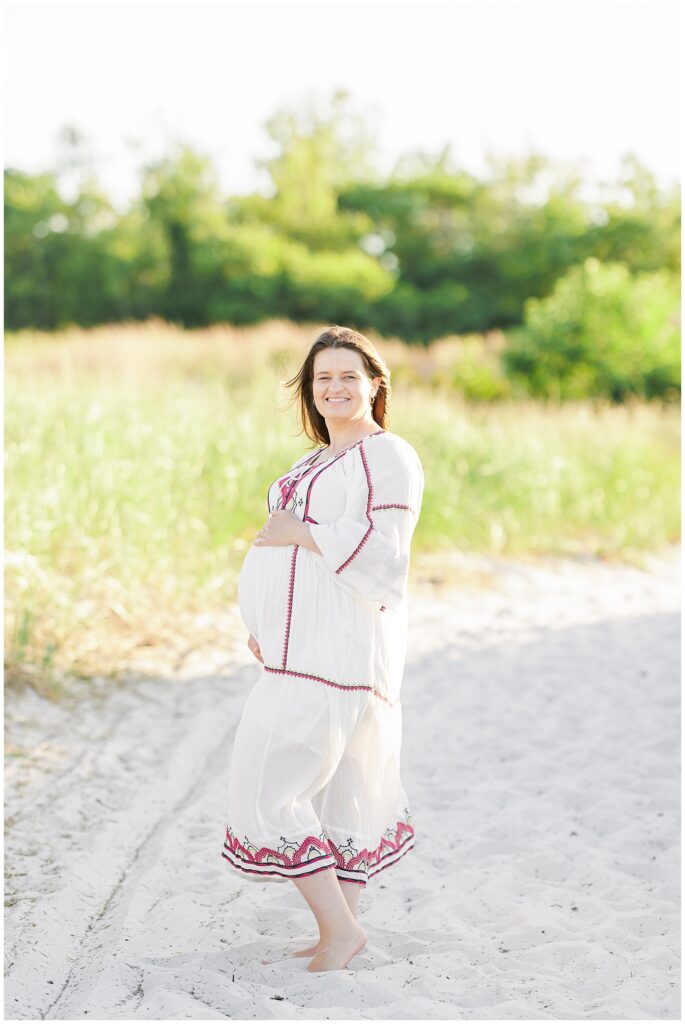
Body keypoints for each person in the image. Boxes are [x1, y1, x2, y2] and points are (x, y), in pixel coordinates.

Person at [220, 324, 424, 972]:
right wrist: (266, 618)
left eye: (347, 376)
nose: (334, 387)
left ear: (374, 385)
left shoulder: (386, 455)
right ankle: (344, 931)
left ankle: (340, 930)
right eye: (322, 378)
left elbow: (385, 557)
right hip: (296, 647)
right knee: (338, 786)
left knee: (269, 782)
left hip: (337, 649)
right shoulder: (311, 461)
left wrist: (302, 532)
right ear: (309, 391)